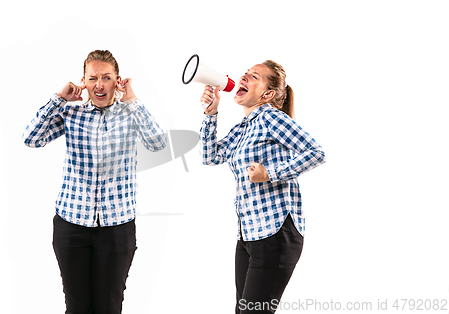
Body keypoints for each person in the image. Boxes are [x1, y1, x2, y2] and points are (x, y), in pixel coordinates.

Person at [23, 50, 167, 314]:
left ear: (118, 81)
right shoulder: (71, 113)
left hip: (116, 228)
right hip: (71, 225)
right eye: (93, 78)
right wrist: (57, 99)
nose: (99, 85)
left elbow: (158, 144)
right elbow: (31, 138)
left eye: (106, 78)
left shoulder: (130, 113)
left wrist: (133, 100)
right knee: (77, 306)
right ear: (84, 82)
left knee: (109, 306)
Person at [199, 60, 326, 313]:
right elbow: (210, 156)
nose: (244, 77)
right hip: (248, 236)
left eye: (254, 76)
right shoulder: (243, 128)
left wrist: (270, 174)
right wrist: (210, 114)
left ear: (267, 94)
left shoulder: (271, 118)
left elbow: (316, 152)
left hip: (275, 233)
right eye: (245, 73)